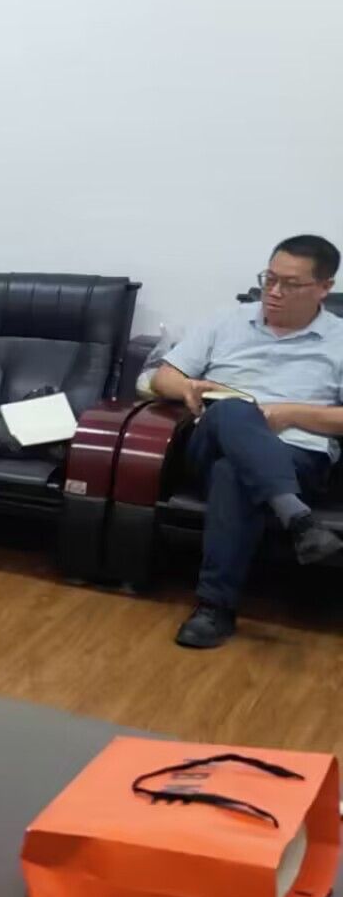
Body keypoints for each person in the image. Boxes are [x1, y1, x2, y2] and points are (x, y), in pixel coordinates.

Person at [151, 235, 343, 649]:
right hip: (212, 440)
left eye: (290, 284)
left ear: (324, 287)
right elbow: (162, 377)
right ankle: (299, 519)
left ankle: (214, 609)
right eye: (269, 278)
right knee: (234, 410)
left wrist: (289, 414)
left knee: (234, 473)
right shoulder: (227, 321)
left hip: (298, 456)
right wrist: (189, 387)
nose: (274, 292)